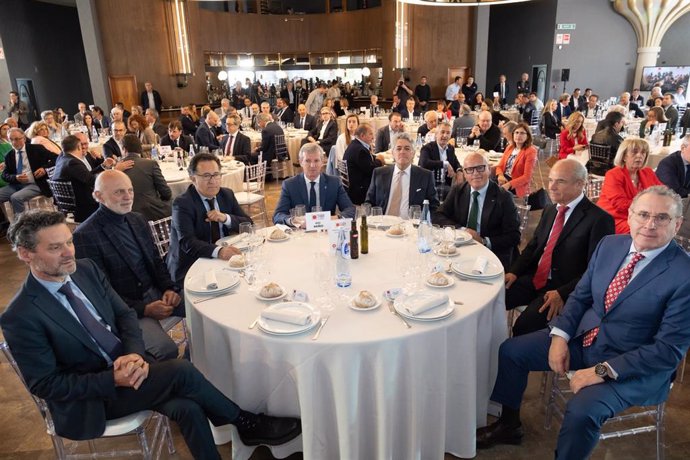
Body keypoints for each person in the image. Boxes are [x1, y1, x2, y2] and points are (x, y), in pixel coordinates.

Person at [1, 210, 302, 459]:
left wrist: (132, 353)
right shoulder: (21, 315)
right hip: (92, 397)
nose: (69, 253)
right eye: (55, 248)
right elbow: (46, 385)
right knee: (181, 370)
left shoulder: (84, 269)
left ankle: (242, 427)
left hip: (130, 364)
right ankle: (245, 421)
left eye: (69, 242)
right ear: (26, 254)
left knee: (189, 408)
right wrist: (112, 379)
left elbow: (124, 315)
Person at [477, 185, 690, 459]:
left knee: (582, 410)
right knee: (511, 351)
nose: (650, 224)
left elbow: (667, 351)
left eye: (662, 218)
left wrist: (602, 370)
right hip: (586, 339)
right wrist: (559, 336)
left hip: (633, 365)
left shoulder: (683, 275)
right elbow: (580, 295)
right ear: (630, 215)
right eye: (644, 214)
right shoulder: (611, 245)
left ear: (678, 224)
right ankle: (509, 425)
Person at [72, 169, 178, 361]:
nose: (128, 197)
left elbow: (155, 260)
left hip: (156, 292)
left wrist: (168, 287)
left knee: (205, 308)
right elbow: (100, 292)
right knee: (166, 350)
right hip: (128, 309)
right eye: (119, 192)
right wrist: (144, 309)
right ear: (98, 196)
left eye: (130, 190)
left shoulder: (136, 219)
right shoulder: (85, 235)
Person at [504, 159, 615, 336]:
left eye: (560, 181)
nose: (552, 186)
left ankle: (516, 357)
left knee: (523, 327)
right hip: (535, 278)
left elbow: (596, 271)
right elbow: (534, 246)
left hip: (562, 287)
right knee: (493, 300)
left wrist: (563, 293)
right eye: (550, 180)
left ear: (580, 184)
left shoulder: (599, 219)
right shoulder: (550, 209)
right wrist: (514, 271)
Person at [167, 153, 251, 284]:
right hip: (192, 265)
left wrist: (225, 218)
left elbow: (247, 224)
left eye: (216, 174)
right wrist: (220, 252)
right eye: (206, 176)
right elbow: (188, 242)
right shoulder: (183, 203)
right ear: (193, 178)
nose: (213, 181)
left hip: (224, 262)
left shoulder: (226, 194)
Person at [433, 150, 520, 268]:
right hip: (459, 249)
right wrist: (463, 230)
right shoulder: (458, 190)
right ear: (464, 173)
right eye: (470, 170)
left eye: (480, 168)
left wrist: (484, 241)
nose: (475, 173)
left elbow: (514, 236)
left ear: (489, 169)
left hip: (490, 254)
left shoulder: (504, 197)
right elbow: (438, 216)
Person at [273, 143, 355, 226]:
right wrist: (292, 220)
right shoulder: (290, 185)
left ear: (322, 162)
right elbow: (278, 215)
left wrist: (335, 218)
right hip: (300, 234)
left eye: (316, 160)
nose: (312, 166)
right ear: (301, 162)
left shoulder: (334, 183)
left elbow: (350, 209)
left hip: (325, 232)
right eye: (307, 161)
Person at [365, 132, 438, 217]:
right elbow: (368, 203)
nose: (402, 152)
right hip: (382, 223)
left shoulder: (426, 176)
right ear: (393, 153)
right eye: (398, 149)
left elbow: (434, 207)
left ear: (413, 153)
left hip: (411, 226)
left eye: (407, 149)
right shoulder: (379, 173)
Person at [598, 138, 662, 234]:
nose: (639, 156)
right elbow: (621, 204)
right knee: (648, 231)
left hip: (643, 217)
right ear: (624, 156)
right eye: (634, 152)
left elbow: (663, 192)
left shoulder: (648, 172)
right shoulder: (613, 174)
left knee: (666, 226)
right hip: (615, 218)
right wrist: (650, 207)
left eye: (643, 152)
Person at [52, 135, 120, 223]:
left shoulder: (64, 159)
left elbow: (85, 176)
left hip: (71, 202)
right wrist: (114, 171)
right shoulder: (72, 162)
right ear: (78, 147)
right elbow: (92, 181)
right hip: (83, 205)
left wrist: (103, 167)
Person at [0, 128, 55, 214]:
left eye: (17, 139)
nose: (14, 142)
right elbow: (4, 175)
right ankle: (6, 223)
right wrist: (15, 177)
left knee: (15, 198)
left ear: (24, 138)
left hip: (35, 183)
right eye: (11, 140)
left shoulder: (36, 149)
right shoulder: (9, 155)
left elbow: (56, 158)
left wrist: (44, 168)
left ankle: (22, 224)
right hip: (16, 185)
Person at [118, 135, 172, 221]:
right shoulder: (150, 164)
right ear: (140, 148)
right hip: (154, 212)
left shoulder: (117, 170)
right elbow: (166, 193)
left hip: (128, 216)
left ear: (124, 149)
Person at [344, 123, 385, 205]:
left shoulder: (355, 144)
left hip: (353, 186)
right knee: (386, 182)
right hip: (359, 191)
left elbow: (366, 159)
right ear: (362, 136)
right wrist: (380, 161)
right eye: (370, 134)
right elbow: (371, 170)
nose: (373, 137)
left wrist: (375, 158)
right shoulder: (360, 150)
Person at [495, 122, 537, 198]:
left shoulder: (530, 151)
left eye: (522, 133)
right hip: (504, 179)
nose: (518, 135)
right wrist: (500, 176)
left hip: (517, 185)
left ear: (527, 136)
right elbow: (500, 166)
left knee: (496, 195)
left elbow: (527, 177)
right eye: (516, 133)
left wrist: (509, 184)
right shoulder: (510, 148)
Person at [419, 122, 460, 199]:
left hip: (445, 183)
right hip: (430, 184)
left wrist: (459, 170)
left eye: (448, 133)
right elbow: (424, 163)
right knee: (455, 195)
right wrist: (445, 164)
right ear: (436, 134)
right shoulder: (427, 148)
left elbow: (455, 162)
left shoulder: (450, 149)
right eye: (442, 132)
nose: (445, 135)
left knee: (460, 193)